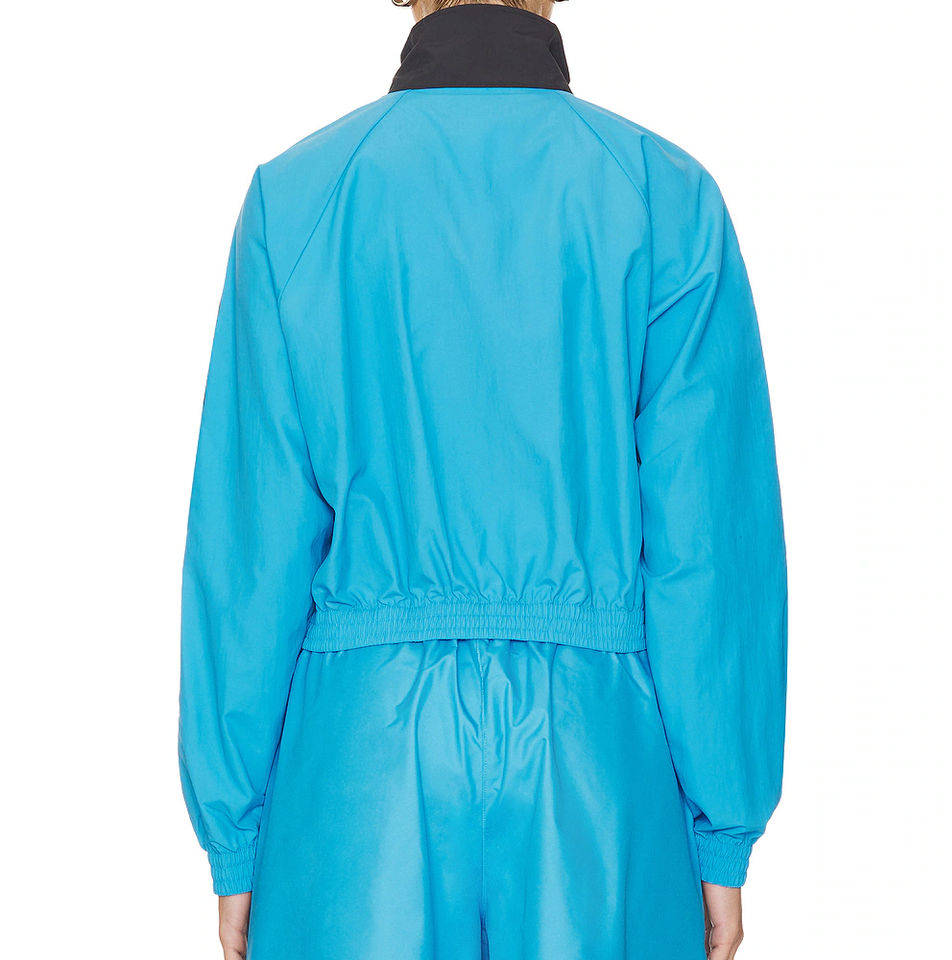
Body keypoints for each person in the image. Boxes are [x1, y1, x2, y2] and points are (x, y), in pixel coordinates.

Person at [177, 1, 788, 958]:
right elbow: (709, 548)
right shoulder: (665, 199)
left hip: (361, 769)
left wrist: (237, 834)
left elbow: (249, 554)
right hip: (597, 761)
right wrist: (723, 822)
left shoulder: (297, 201)